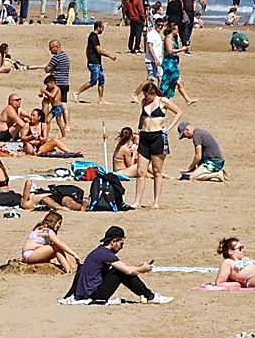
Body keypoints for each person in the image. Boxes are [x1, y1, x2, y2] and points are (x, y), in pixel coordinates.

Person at [63, 226, 171, 304]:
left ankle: (148, 295)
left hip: (86, 293)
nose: (122, 247)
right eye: (121, 243)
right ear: (113, 242)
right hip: (93, 295)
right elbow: (127, 271)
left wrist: (138, 267)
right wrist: (143, 269)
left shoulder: (99, 251)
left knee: (121, 271)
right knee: (121, 272)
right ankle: (150, 296)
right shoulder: (105, 254)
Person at [130, 81, 182, 210]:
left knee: (157, 171)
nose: (146, 98)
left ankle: (156, 202)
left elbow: (179, 112)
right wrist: (138, 129)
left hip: (157, 136)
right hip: (144, 136)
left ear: (152, 93)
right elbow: (142, 117)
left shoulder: (162, 101)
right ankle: (137, 201)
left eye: (148, 95)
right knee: (141, 171)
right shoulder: (144, 102)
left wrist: (169, 128)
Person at [74, 21, 116, 104]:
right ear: (98, 28)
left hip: (96, 62)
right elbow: (99, 50)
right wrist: (110, 56)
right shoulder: (93, 37)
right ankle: (77, 93)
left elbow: (87, 49)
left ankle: (101, 99)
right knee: (93, 81)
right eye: (102, 28)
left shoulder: (92, 36)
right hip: (94, 63)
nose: (102, 30)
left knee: (101, 80)